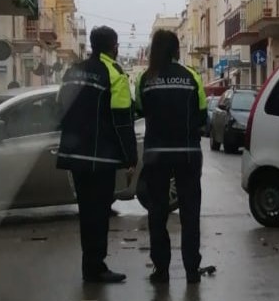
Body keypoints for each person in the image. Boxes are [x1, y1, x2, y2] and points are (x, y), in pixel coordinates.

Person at [56, 26, 137, 283]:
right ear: (113, 46)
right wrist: (130, 158)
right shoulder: (114, 73)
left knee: (86, 212)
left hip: (76, 155)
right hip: (101, 157)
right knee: (99, 213)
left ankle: (89, 264)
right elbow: (122, 120)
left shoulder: (72, 71)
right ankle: (96, 267)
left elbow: (60, 106)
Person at [135, 30, 207, 285]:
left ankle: (161, 270)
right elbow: (202, 116)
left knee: (157, 212)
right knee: (190, 212)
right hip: (188, 153)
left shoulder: (145, 80)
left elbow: (140, 109)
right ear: (177, 50)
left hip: (156, 155)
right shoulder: (193, 78)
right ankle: (191, 270)